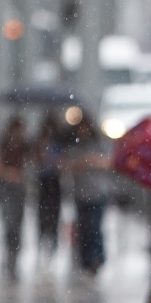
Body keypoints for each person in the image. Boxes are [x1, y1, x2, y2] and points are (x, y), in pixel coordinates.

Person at [64, 113, 111, 273]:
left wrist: (90, 161)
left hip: (98, 193)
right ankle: (85, 260)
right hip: (80, 193)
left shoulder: (99, 144)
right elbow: (67, 164)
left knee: (94, 227)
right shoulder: (75, 145)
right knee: (83, 228)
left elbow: (109, 162)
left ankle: (96, 260)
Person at [0, 116, 28, 279]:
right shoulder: (3, 145)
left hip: (19, 190)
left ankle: (14, 256)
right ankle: (9, 255)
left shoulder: (26, 147)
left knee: (17, 225)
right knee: (9, 222)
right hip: (6, 189)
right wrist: (10, 174)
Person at [34, 114, 64, 260]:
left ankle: (52, 249)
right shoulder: (40, 143)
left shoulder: (60, 143)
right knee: (42, 216)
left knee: (54, 216)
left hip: (54, 182)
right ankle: (41, 247)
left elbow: (61, 163)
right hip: (43, 181)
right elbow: (38, 161)